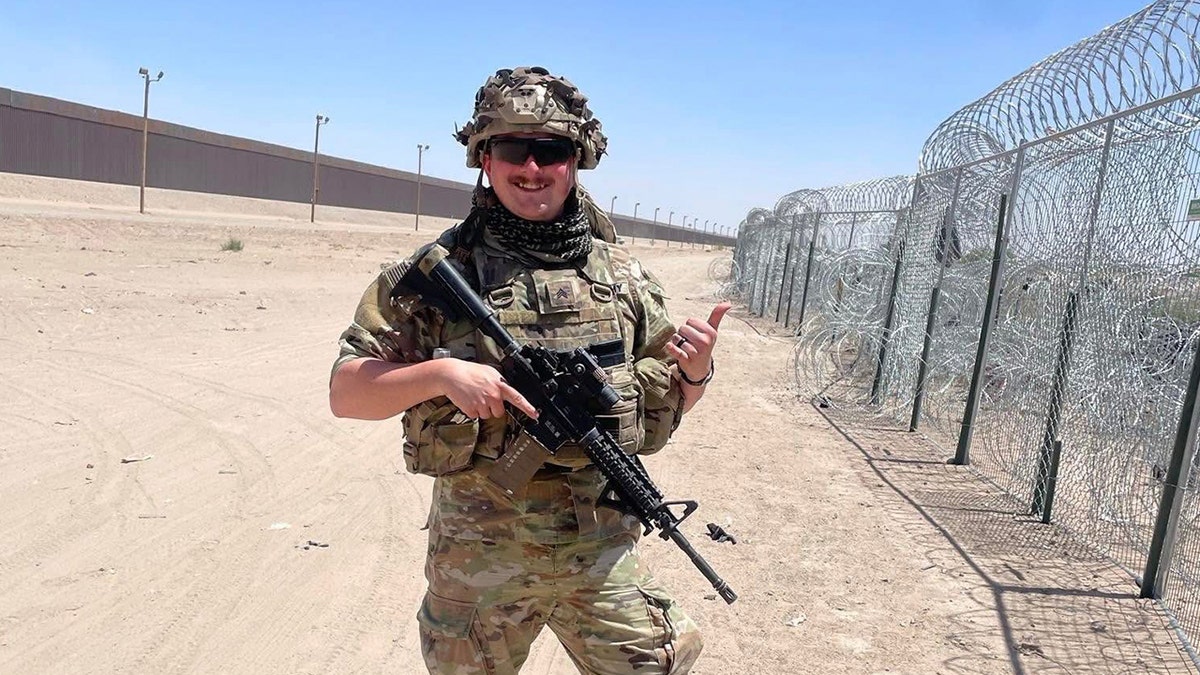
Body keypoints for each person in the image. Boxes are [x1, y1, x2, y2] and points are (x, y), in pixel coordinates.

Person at [329, 66, 730, 674]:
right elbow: (346, 393)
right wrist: (440, 375)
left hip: (599, 555)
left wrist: (694, 375)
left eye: (552, 150)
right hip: (478, 565)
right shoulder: (438, 274)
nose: (533, 168)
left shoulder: (621, 278)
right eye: (514, 149)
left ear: (578, 159)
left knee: (658, 663)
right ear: (484, 158)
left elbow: (655, 411)